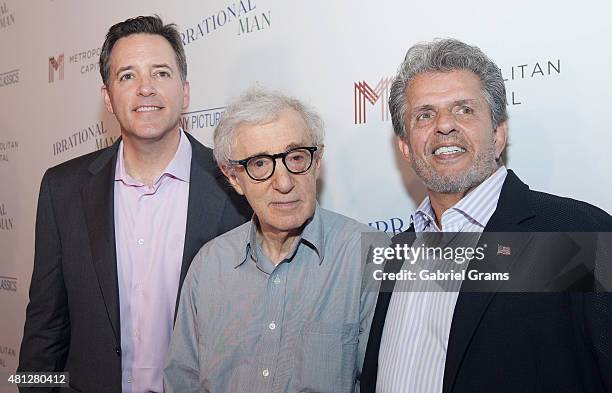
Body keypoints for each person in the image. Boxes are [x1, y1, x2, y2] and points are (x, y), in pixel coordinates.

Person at [361, 39, 612, 393]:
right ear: (405, 147)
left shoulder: (577, 235)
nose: (444, 125)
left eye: (464, 109)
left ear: (498, 134)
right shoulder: (398, 253)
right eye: (425, 114)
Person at [18, 15, 250, 393]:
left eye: (160, 73)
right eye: (127, 76)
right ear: (108, 98)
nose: (146, 89)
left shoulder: (235, 187)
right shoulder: (62, 190)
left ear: (185, 91)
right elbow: (43, 331)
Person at [164, 87, 385, 393]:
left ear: (317, 161)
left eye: (296, 158)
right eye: (259, 164)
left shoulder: (371, 254)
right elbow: (181, 381)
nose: (283, 183)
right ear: (233, 178)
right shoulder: (208, 265)